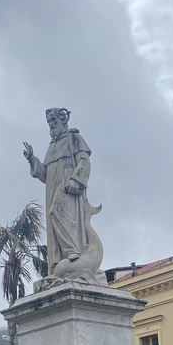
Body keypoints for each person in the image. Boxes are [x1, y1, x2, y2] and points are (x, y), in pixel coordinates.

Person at [23, 107, 106, 287]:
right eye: (49, 123)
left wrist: (77, 179)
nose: (52, 126)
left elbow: (84, 160)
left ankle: (73, 251)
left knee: (56, 212)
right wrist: (32, 160)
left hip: (69, 186)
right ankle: (62, 262)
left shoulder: (74, 139)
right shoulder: (52, 146)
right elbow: (45, 175)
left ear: (63, 121)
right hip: (53, 189)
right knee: (54, 217)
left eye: (54, 121)